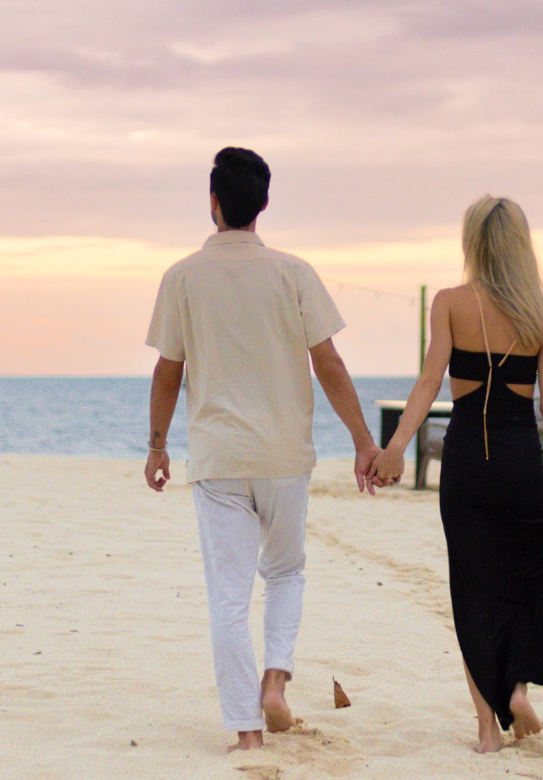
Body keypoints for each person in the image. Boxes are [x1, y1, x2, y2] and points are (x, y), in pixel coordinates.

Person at [371, 195, 543, 753]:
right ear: (522, 246)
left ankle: (486, 727)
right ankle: (518, 691)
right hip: (519, 462)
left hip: (465, 468)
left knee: (472, 592)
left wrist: (397, 447)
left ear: (472, 242)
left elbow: (429, 384)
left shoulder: (450, 303)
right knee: (517, 585)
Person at [144, 147, 384, 752]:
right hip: (283, 457)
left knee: (228, 598)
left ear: (214, 203)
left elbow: (168, 371)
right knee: (285, 573)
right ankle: (275, 679)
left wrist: (156, 446)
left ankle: (247, 734)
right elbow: (327, 361)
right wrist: (362, 440)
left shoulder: (181, 276)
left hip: (219, 460)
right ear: (264, 204)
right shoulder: (293, 272)